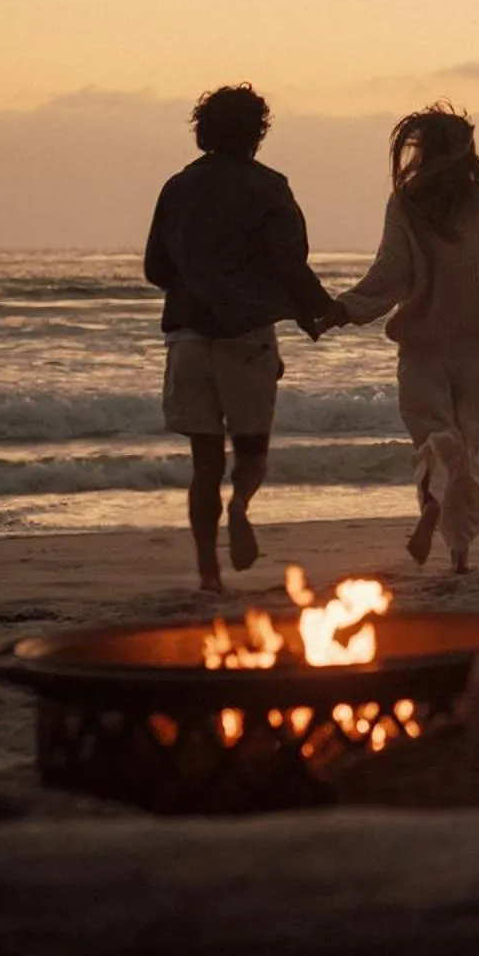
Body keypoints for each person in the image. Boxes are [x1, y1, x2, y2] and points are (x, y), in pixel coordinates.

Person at [321, 103, 479, 573]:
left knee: (435, 442)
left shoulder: (406, 205)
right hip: (477, 349)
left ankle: (431, 510)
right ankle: (460, 556)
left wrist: (343, 310)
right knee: (466, 447)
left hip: (423, 351)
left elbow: (389, 275)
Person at [144, 84, 333, 592]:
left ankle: (209, 574)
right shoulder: (269, 188)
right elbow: (288, 264)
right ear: (257, 133)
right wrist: (321, 309)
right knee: (251, 454)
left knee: (204, 465)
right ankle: (242, 507)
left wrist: (197, 288)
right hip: (246, 337)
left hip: (186, 336)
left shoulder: (177, 188)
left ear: (203, 130)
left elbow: (155, 267)